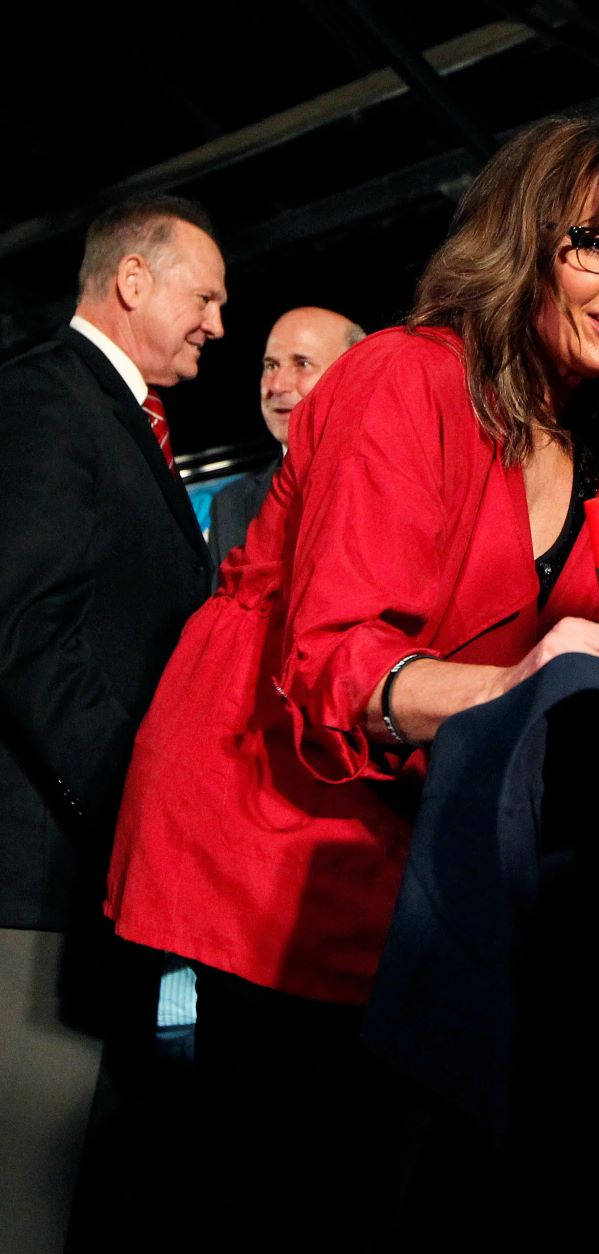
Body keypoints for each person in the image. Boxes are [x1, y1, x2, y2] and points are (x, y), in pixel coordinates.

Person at [103, 119, 599, 1241]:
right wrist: (529, 673)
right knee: (297, 1162)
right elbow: (337, 665)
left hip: (394, 811)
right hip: (264, 813)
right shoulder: (403, 379)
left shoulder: (593, 431)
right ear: (524, 241)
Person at [0, 195, 225, 1249]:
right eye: (205, 295)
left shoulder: (124, 421)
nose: (218, 323)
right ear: (133, 281)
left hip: (96, 887)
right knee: (27, 1197)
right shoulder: (47, 400)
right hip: (37, 883)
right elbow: (23, 629)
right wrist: (140, 806)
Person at [206, 305, 365, 574]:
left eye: (302, 364)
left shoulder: (390, 481)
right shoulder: (230, 507)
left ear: (354, 376)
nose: (277, 385)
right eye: (271, 366)